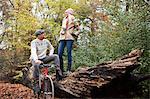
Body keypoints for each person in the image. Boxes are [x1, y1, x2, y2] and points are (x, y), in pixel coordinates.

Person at [30, 29, 62, 94]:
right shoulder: (34, 42)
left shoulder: (46, 41)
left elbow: (51, 48)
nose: (44, 35)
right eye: (42, 34)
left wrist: (50, 54)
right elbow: (33, 51)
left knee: (55, 56)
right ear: (38, 35)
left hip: (44, 58)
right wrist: (36, 60)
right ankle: (36, 84)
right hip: (35, 59)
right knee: (36, 66)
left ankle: (58, 72)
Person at [58, 8, 80, 75]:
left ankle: (68, 70)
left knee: (69, 53)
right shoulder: (64, 19)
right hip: (62, 37)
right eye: (65, 12)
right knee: (59, 54)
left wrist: (74, 34)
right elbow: (63, 28)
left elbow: (79, 29)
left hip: (69, 37)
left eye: (66, 12)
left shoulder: (73, 18)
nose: (65, 13)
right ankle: (61, 70)